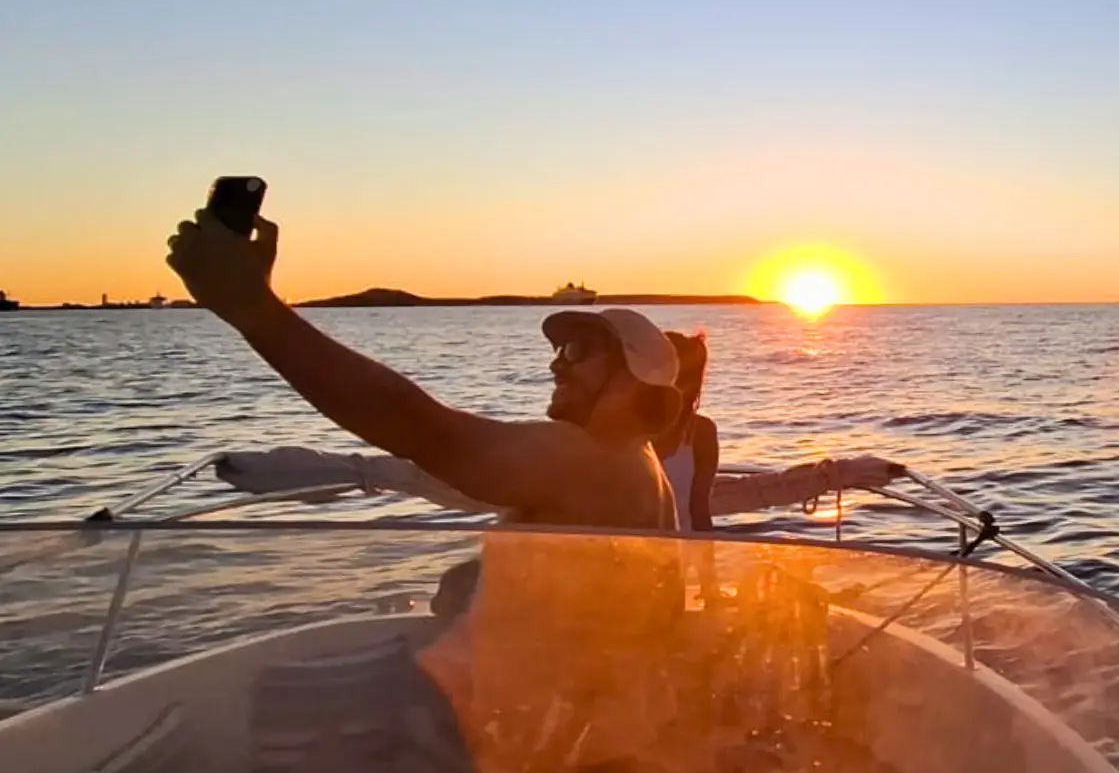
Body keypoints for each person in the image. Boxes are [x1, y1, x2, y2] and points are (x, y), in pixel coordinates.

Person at [165, 209, 682, 530]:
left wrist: (252, 308)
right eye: (558, 349)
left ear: (634, 383)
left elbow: (420, 428)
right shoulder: (633, 463)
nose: (557, 365)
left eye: (576, 352)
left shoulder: (586, 458)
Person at [652, 332, 719, 532]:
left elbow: (699, 511)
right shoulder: (622, 429)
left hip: (679, 554)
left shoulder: (701, 433)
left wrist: (706, 560)